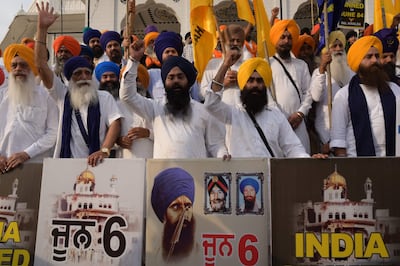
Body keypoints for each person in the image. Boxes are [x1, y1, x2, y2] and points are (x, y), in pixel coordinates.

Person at [35, 1, 122, 166]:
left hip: (98, 165)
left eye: (87, 73)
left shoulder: (104, 97)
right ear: (70, 78)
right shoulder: (62, 95)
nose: (83, 77)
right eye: (77, 73)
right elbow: (40, 65)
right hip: (66, 166)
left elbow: (115, 123)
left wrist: (104, 150)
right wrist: (42, 29)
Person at [120, 40, 228, 159]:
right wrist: (134, 60)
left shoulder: (204, 111)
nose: (176, 81)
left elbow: (215, 145)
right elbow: (127, 96)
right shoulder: (155, 108)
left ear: (188, 81)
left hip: (195, 174)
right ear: (165, 82)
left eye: (180, 77)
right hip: (165, 174)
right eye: (171, 77)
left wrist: (223, 155)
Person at [204, 57, 311, 158]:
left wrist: (309, 160)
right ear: (243, 85)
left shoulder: (276, 116)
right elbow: (211, 103)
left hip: (270, 175)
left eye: (259, 81)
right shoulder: (233, 113)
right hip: (241, 175)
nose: (255, 85)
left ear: (265, 85)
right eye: (250, 80)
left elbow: (293, 147)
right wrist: (225, 65)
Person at [330, 36, 400, 157]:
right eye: (369, 57)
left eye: (377, 56)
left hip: (393, 164)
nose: (374, 61)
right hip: (358, 167)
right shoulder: (344, 96)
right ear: (357, 62)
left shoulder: (394, 90)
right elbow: (339, 141)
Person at [0, 44, 58, 173]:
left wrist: (27, 153)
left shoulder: (47, 96)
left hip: (35, 164)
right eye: (14, 65)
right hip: (3, 165)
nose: (18, 69)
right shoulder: (2, 96)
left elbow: (53, 133)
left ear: (32, 68)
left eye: (23, 65)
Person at [269, 19, 313, 153]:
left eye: (289, 37)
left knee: (302, 163)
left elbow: (309, 93)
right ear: (275, 39)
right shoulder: (267, 64)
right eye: (282, 37)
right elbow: (266, 94)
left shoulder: (301, 65)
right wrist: (280, 118)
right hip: (276, 123)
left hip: (299, 123)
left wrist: (300, 113)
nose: (286, 41)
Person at [96, 61, 154, 158]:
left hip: (150, 158)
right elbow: (105, 132)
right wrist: (118, 140)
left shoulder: (153, 105)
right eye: (130, 81)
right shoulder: (116, 105)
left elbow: (165, 133)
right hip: (124, 160)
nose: (134, 84)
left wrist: (148, 133)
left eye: (138, 80)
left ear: (144, 82)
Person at [310, 30, 353, 154]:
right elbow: (316, 96)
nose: (338, 49)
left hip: (347, 140)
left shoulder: (351, 75)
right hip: (324, 138)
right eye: (334, 46)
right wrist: (322, 69)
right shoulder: (319, 73)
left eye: (340, 46)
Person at [150, 167, 196, 263]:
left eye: (187, 206)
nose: (184, 213)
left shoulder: (202, 252)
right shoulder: (153, 254)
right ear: (163, 214)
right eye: (175, 207)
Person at [201, 24, 247, 105]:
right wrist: (223, 83)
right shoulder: (213, 64)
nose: (235, 43)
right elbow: (203, 93)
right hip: (219, 114)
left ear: (242, 44)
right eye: (232, 40)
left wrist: (241, 81)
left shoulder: (247, 65)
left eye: (238, 41)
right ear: (225, 42)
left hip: (242, 114)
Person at [148, 31, 184, 100]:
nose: (170, 54)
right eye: (167, 52)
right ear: (161, 55)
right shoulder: (151, 74)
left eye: (173, 51)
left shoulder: (186, 74)